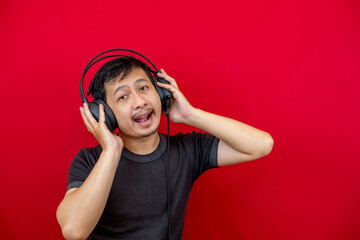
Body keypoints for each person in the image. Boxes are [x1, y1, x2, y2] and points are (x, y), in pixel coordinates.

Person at [56, 56, 274, 240]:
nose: (140, 101)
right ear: (105, 114)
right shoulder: (90, 161)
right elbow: (74, 231)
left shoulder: (188, 149)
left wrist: (190, 115)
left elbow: (261, 145)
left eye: (143, 88)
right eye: (123, 96)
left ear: (163, 94)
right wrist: (111, 152)